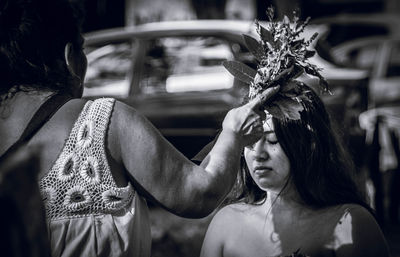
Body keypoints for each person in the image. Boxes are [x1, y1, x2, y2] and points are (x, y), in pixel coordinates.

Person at [0, 0, 278, 256]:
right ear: (70, 56)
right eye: (83, 48)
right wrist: (232, 133)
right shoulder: (102, 122)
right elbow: (198, 192)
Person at [200, 83, 390, 257]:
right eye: (249, 142)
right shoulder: (227, 222)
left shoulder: (352, 223)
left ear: (308, 144)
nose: (258, 154)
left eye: (272, 140)